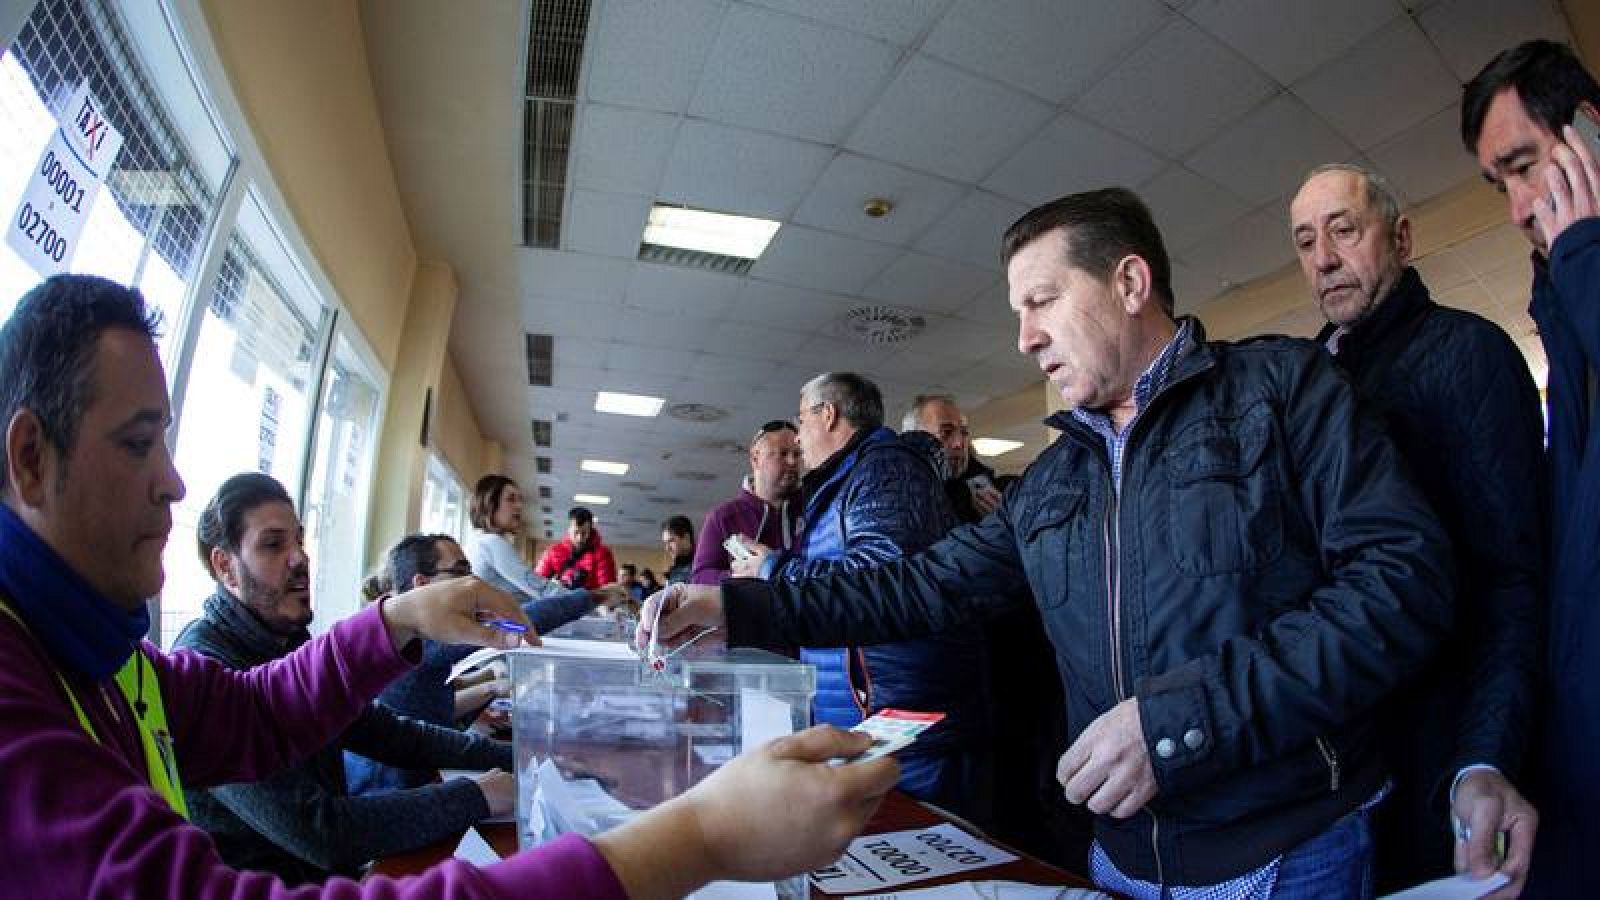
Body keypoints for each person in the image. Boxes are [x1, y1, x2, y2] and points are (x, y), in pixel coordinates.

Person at [642, 188, 1456, 897]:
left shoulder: (1283, 391)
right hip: (1119, 855)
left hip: (1287, 852)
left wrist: (1181, 720)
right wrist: (742, 605)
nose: (1025, 338)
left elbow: (1402, 584)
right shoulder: (1056, 480)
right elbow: (917, 586)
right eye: (1017, 315)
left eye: (1042, 301)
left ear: (1130, 283)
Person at [0, 273, 900, 898]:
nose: (172, 480)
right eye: (135, 443)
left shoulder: (96, 651)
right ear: (32, 458)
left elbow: (254, 717)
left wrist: (398, 617)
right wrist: (700, 837)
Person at [1289, 163, 1544, 896]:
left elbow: (1512, 578)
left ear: (1399, 237)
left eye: (1344, 230)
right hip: (1341, 769)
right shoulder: (1307, 387)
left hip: (1439, 754)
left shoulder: (1469, 354)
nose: (1324, 259)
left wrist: (1485, 756)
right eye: (1306, 242)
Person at [174, 474, 516, 882]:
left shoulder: (288, 642)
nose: (299, 557)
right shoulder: (204, 666)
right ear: (225, 566)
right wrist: (474, 795)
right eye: (273, 544)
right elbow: (320, 831)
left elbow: (388, 733)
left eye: (299, 540)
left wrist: (518, 757)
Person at [1462, 40, 1600, 897]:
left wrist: (1584, 256)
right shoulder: (1564, 294)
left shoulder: (1582, 270)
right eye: (1499, 184)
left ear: (1586, 130)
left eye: (1522, 166)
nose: (1517, 209)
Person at [733, 372, 992, 822]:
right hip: (874, 725)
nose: (797, 436)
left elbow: (881, 578)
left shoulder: (884, 467)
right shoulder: (847, 478)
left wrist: (773, 569)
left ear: (828, 414)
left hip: (906, 730)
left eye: (801, 419)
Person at [902, 393, 1081, 867]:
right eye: (946, 433)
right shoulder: (907, 502)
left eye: (964, 431)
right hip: (955, 694)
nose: (959, 443)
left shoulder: (997, 493)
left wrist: (1012, 528)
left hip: (1020, 673)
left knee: (1034, 796)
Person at [347, 532, 511, 796]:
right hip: (387, 793)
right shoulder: (410, 639)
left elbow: (437, 701)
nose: (471, 584)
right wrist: (592, 597)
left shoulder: (408, 635)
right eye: (459, 573)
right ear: (422, 584)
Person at [466, 475, 622, 617]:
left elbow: (533, 588)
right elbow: (540, 588)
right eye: (511, 499)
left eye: (519, 499)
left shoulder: (480, 541)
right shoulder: (492, 543)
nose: (519, 506)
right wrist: (597, 601)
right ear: (489, 503)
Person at [692, 419, 804, 585]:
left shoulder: (814, 511)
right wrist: (740, 576)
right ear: (755, 458)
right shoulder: (722, 518)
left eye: (797, 454)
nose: (792, 462)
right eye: (782, 453)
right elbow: (699, 578)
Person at [535, 506, 618, 590]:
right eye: (576, 532)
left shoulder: (603, 554)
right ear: (569, 529)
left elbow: (607, 590)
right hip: (557, 600)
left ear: (590, 530)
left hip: (589, 601)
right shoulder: (552, 552)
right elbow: (536, 583)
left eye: (584, 533)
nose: (580, 538)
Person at [661, 515, 695, 585]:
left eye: (671, 541)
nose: (667, 548)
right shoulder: (675, 569)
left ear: (686, 538)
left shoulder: (703, 563)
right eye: (665, 543)